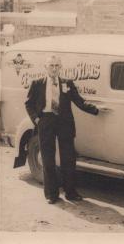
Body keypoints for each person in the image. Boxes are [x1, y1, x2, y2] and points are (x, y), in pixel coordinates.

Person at [25, 55, 103, 204]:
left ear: (60, 67)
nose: (54, 68)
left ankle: (71, 193)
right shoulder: (37, 83)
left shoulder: (67, 83)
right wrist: (36, 120)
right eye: (51, 65)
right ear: (45, 67)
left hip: (64, 122)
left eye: (57, 66)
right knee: (47, 159)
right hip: (46, 121)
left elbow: (79, 100)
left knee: (68, 158)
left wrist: (96, 110)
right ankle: (51, 195)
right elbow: (28, 104)